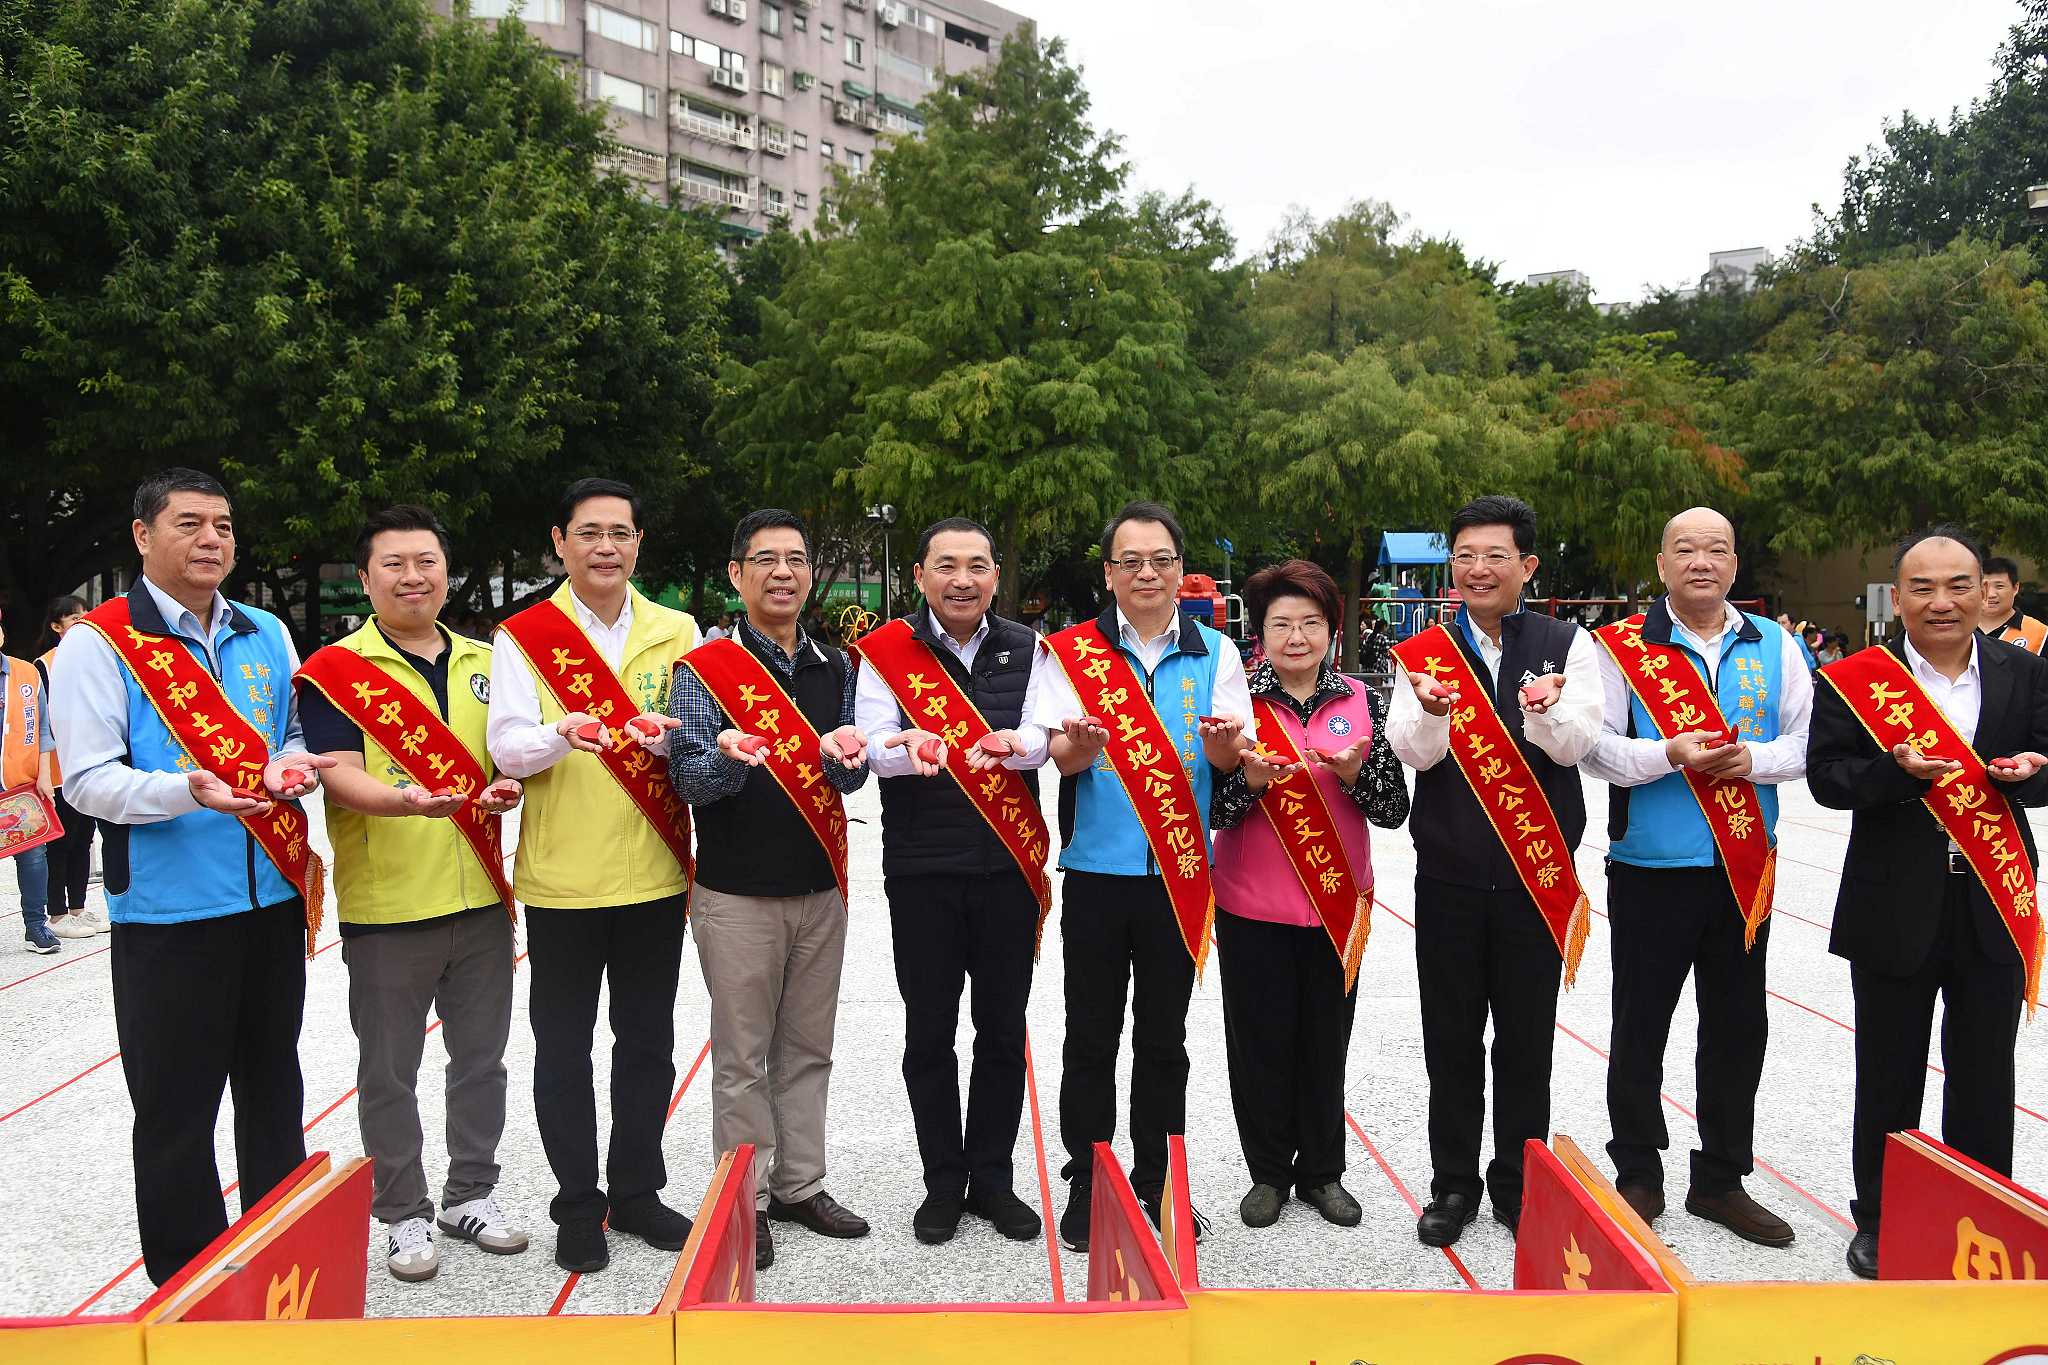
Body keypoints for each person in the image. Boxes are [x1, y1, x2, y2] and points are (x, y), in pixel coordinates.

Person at [50, 467, 333, 1286]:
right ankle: (191, 1283)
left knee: (274, 1089)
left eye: (223, 525)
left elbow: (285, 732)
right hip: (169, 919)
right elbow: (87, 781)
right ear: (143, 536)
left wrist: (291, 767)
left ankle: (286, 1261)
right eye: (189, 524)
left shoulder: (267, 633)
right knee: (177, 1110)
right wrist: (186, 790)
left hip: (270, 899)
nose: (212, 540)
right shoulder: (98, 645)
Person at [294, 506, 529, 1282]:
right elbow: (338, 769)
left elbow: (509, 755)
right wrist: (404, 800)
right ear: (365, 577)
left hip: (481, 898)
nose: (412, 576)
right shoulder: (334, 669)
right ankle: (401, 1211)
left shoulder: (487, 659)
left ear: (444, 569)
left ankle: (472, 1193)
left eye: (426, 561)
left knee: (482, 1061)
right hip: (389, 906)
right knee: (388, 1070)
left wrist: (503, 788)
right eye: (393, 564)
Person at [1807, 526, 2047, 1279]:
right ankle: (1882, 1218)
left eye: (1958, 585)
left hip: (1992, 899)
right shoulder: (1854, 677)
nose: (1941, 601)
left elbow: (2047, 762)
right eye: (1923, 587)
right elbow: (1827, 779)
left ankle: (1983, 1215)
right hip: (1891, 902)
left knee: (1985, 1072)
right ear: (1897, 595)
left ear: (1986, 590)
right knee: (1888, 1071)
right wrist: (1894, 771)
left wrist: (2031, 772)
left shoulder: (2024, 671)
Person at [1028, 500, 1255, 1251]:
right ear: (1109, 572)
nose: (1147, 572)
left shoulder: (1216, 652)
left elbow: (1231, 760)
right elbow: (1058, 755)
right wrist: (1082, 747)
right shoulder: (1068, 653)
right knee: (1090, 1036)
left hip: (1181, 874)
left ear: (1179, 569)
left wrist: (1224, 750)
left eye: (1160, 559)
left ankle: (1161, 1181)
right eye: (1131, 561)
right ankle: (1090, 1179)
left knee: (1166, 1039)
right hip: (1096, 872)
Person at [488, 478, 699, 1274]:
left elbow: (701, 738)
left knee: (647, 1044)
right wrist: (560, 733)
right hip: (561, 881)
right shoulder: (525, 635)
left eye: (619, 532)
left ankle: (638, 1190)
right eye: (588, 532)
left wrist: (661, 742)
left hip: (652, 873)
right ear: (560, 540)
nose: (604, 546)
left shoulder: (677, 629)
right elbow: (506, 746)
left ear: (639, 543)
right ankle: (578, 1203)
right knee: (563, 1049)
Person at [1584, 507, 1811, 1249]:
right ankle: (1639, 1170)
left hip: (1744, 869)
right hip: (1652, 865)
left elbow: (1807, 741)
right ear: (1661, 563)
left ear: (1735, 565)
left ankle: (1720, 1179)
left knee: (1739, 1026)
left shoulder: (1776, 644)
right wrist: (1668, 754)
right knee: (1640, 1022)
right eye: (1685, 548)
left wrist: (1756, 761)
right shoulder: (1619, 648)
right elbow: (1597, 750)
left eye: (1716, 549)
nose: (1701, 561)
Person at [1386, 496, 1604, 1245]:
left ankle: (1518, 1180)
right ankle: (1453, 1184)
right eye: (1466, 556)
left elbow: (1578, 747)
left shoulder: (1568, 644)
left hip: (1533, 879)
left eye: (1495, 556)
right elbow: (1413, 752)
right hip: (1446, 879)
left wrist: (1543, 710)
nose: (1478, 569)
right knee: (1450, 1039)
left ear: (1528, 566)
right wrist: (1435, 710)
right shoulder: (1423, 652)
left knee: (1525, 1039)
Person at [669, 508, 873, 1271]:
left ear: (811, 572)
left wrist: (847, 760)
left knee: (808, 1048)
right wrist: (730, 759)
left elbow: (847, 766)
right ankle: (744, 1199)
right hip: (736, 893)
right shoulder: (705, 669)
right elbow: (686, 777)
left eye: (795, 558)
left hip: (820, 887)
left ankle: (799, 1182)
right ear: (736, 573)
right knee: (742, 1054)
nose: (782, 572)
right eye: (765, 559)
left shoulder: (835, 667)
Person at [851, 516, 1055, 1245]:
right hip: (922, 871)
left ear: (997, 575)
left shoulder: (1030, 648)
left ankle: (993, 1177)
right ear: (919, 575)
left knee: (1002, 1030)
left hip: (1007, 870)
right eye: (945, 565)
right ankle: (943, 1179)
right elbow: (872, 745)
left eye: (976, 564)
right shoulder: (884, 653)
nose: (961, 578)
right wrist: (909, 749)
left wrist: (1019, 744)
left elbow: (1044, 733)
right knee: (929, 1033)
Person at [1209, 559, 1408, 1230]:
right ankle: (1267, 1173)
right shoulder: (1238, 703)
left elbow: (1392, 808)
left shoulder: (1362, 699)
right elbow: (1213, 808)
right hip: (1250, 903)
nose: (1297, 636)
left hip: (1336, 905)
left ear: (1332, 629)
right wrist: (1253, 783)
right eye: (1282, 623)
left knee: (1327, 1041)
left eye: (1311, 623)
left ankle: (1323, 1173)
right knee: (1260, 1041)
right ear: (1259, 632)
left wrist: (1354, 776)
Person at [35, 596, 104, 940]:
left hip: (91, 762)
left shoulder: (98, 657)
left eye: (85, 615)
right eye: (73, 617)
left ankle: (78, 907)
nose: (82, 621)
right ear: (56, 626)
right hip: (60, 768)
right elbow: (42, 725)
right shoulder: (44, 666)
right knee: (59, 843)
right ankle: (58, 914)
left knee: (84, 839)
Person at [3, 619, 59, 954]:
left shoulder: (25, 673)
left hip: (21, 785)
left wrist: (44, 775)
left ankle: (36, 925)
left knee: (34, 857)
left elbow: (42, 730)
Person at [1977, 556, 2047, 654]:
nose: (1991, 594)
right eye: (1984, 586)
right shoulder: (1961, 628)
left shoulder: (2040, 633)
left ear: (2015, 588)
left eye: (1999, 586)